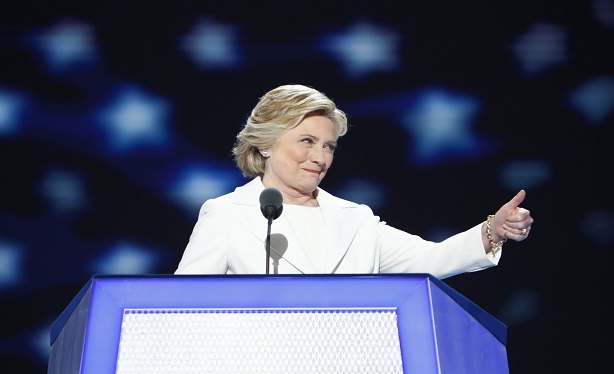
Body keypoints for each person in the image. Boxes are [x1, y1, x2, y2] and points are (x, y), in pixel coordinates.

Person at [175, 84, 533, 278]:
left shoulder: (356, 219)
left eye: (329, 146)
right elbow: (182, 309)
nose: (320, 157)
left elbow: (431, 258)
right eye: (307, 141)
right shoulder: (225, 215)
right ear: (266, 144)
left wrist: (493, 230)